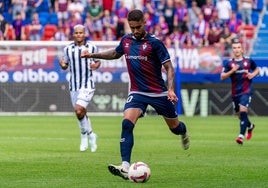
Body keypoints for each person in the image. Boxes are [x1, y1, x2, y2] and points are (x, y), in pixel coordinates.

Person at [81, 9, 190, 180]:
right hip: (137, 92)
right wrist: (93, 55)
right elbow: (115, 54)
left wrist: (170, 89)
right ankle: (125, 166)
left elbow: (169, 67)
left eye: (138, 27)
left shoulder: (155, 43)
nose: (135, 31)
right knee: (126, 124)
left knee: (175, 128)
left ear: (144, 22)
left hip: (158, 93)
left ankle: (184, 132)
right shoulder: (126, 40)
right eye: (132, 28)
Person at [59, 24, 100, 152]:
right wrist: (62, 65)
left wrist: (95, 66)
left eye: (80, 33)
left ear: (84, 34)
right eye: (76, 33)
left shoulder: (92, 47)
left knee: (78, 110)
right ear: (73, 34)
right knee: (81, 112)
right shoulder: (67, 49)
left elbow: (98, 61)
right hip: (74, 85)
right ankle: (91, 134)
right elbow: (65, 65)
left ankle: (83, 136)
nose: (78, 35)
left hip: (87, 84)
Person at [220, 38, 259, 145]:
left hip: (246, 91)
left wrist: (252, 74)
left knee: (243, 110)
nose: (236, 50)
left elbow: (257, 70)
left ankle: (241, 136)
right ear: (232, 50)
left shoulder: (248, 60)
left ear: (242, 49)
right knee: (239, 115)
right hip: (235, 93)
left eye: (238, 48)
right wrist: (232, 71)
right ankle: (250, 126)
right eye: (234, 48)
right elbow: (222, 76)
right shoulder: (229, 63)